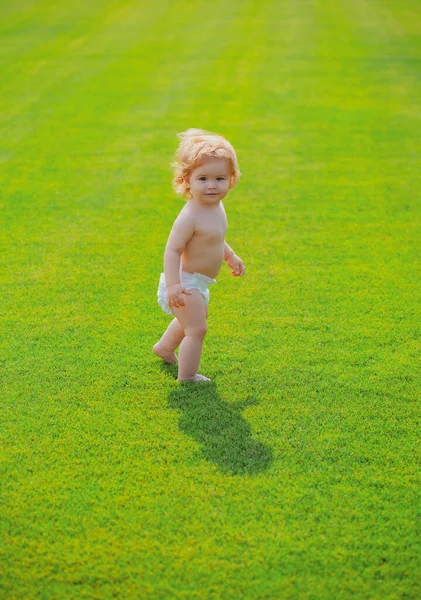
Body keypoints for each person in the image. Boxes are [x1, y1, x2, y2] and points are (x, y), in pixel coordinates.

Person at [153, 128, 245, 382]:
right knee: (197, 328)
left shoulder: (217, 207)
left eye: (220, 178)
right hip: (185, 282)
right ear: (187, 181)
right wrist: (174, 285)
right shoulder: (190, 216)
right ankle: (188, 376)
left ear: (231, 179)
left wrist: (230, 256)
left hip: (199, 282)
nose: (212, 185)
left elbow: (214, 239)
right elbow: (172, 250)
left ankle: (164, 348)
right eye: (202, 179)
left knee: (191, 321)